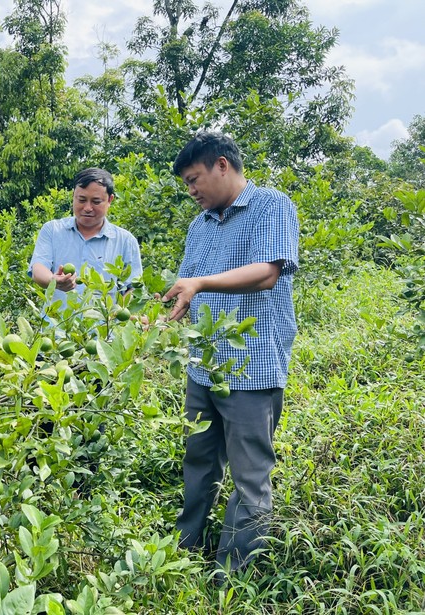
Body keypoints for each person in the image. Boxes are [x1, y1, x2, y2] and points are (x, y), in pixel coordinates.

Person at [162, 132, 300, 577]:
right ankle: (183, 554)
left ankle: (232, 576)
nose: (192, 191)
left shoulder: (272, 206)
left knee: (250, 477)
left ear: (222, 165)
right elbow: (186, 291)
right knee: (199, 461)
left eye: (194, 179)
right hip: (203, 367)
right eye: (186, 184)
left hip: (252, 369)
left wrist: (201, 284)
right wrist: (161, 317)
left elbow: (267, 273)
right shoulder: (198, 227)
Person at [28, 167, 143, 309]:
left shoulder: (125, 241)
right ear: (73, 196)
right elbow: (38, 269)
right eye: (81, 200)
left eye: (96, 202)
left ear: (110, 200)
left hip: (103, 329)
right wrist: (54, 280)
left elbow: (133, 287)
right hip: (56, 327)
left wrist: (117, 315)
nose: (87, 208)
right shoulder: (52, 230)